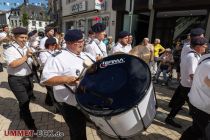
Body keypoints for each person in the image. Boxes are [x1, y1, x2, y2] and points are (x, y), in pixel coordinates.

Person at [41, 29, 95, 140]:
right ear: (69, 43)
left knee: (84, 125)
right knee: (78, 133)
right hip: (70, 104)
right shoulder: (57, 57)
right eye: (78, 42)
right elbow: (45, 79)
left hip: (87, 100)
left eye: (82, 41)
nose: (82, 43)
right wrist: (66, 79)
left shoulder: (86, 55)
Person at [165, 36, 208, 128]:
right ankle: (198, 127)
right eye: (204, 45)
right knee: (195, 108)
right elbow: (192, 75)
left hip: (185, 84)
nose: (206, 47)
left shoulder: (195, 55)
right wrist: (200, 86)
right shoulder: (192, 57)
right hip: (188, 86)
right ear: (197, 46)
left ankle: (169, 118)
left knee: (179, 103)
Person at [3, 27, 37, 131]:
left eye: (26, 37)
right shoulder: (9, 49)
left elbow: (31, 60)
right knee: (24, 101)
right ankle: (31, 125)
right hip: (16, 80)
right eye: (22, 37)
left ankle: (22, 113)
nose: (24, 39)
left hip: (28, 77)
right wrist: (26, 56)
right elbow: (13, 64)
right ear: (15, 37)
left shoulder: (26, 46)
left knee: (25, 100)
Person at [180, 53, 210, 140]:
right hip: (203, 106)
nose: (205, 45)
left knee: (196, 130)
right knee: (201, 131)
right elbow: (207, 80)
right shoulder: (202, 59)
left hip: (198, 102)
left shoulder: (205, 59)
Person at [39, 37, 58, 106]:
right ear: (47, 45)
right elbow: (44, 62)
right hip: (47, 73)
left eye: (54, 45)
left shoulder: (56, 52)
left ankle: (48, 101)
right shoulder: (43, 53)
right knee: (51, 89)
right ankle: (55, 105)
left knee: (51, 89)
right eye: (52, 45)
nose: (53, 46)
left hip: (55, 73)